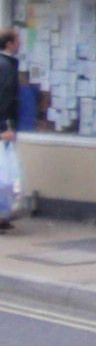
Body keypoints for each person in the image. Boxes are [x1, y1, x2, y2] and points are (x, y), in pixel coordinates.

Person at [0, 27, 19, 232]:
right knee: (3, 176)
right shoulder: (5, 66)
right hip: (3, 127)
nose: (19, 43)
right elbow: (4, 99)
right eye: (17, 39)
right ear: (9, 44)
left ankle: (3, 215)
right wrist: (4, 127)